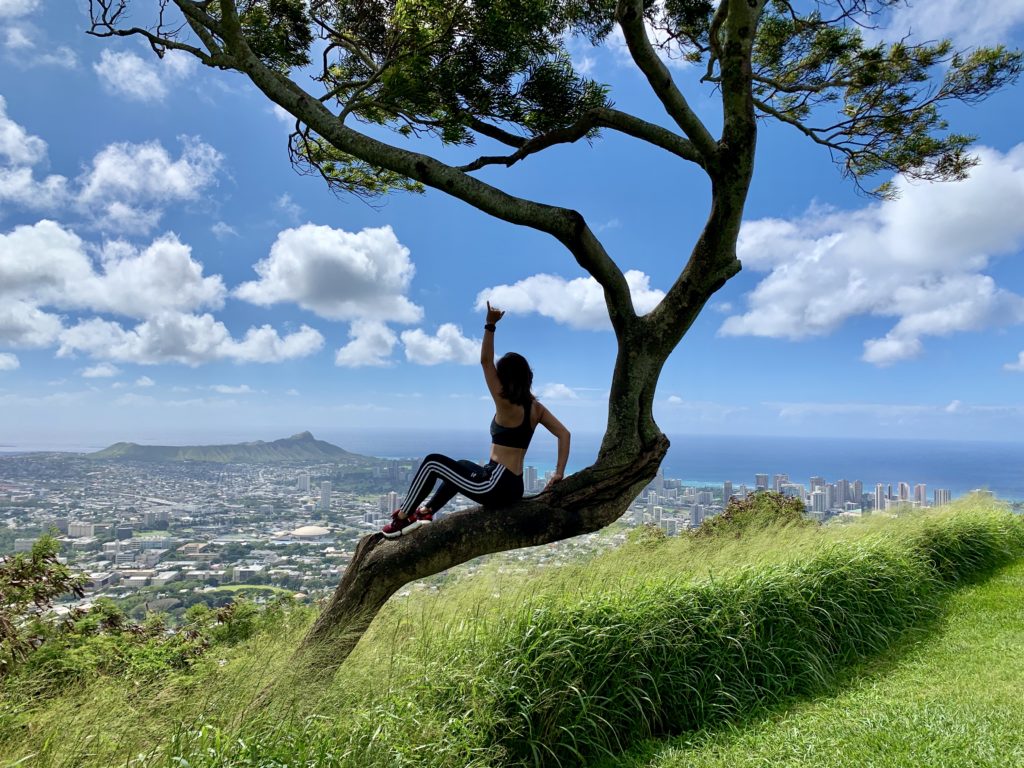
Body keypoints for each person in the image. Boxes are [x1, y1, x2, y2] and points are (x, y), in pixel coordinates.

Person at [382, 302, 571, 538]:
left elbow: (485, 362)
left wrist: (490, 325)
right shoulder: (537, 408)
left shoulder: (505, 402)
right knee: (460, 464)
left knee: (432, 462)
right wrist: (558, 473)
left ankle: (402, 519)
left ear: (506, 378)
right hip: (512, 484)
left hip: (496, 485)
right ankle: (427, 511)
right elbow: (565, 434)